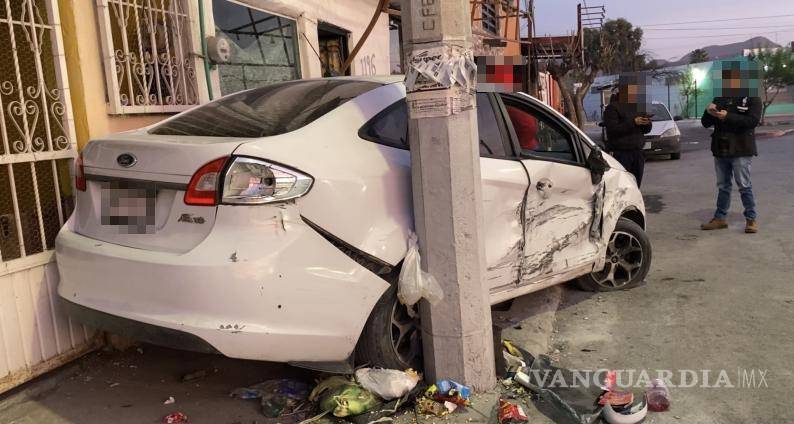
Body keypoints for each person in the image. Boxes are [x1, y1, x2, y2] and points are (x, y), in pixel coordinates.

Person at [700, 61, 761, 233]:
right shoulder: (720, 97)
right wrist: (709, 110)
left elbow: (753, 121)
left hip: (741, 148)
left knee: (744, 184)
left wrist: (727, 116)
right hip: (721, 148)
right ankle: (720, 218)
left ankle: (751, 219)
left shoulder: (751, 97)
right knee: (723, 185)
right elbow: (705, 123)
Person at [602, 75, 653, 187]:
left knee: (635, 186)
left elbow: (647, 130)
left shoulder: (638, 106)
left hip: (638, 153)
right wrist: (633, 122)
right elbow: (613, 129)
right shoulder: (612, 108)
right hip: (621, 154)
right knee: (622, 186)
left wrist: (647, 122)